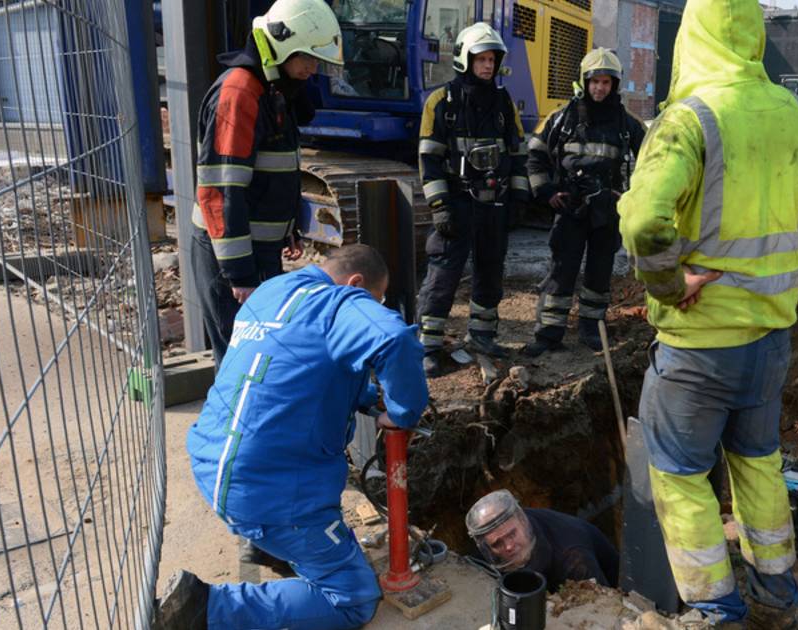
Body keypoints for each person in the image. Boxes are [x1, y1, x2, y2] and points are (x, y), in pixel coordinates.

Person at [616, 0, 798, 625]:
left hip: (701, 341)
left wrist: (672, 286)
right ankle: (776, 595)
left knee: (678, 475)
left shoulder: (689, 119)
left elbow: (645, 223)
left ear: (692, 39)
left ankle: (714, 610)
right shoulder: (794, 113)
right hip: (771, 337)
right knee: (758, 466)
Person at [156, 244, 429, 630]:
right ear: (355, 283)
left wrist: (367, 397)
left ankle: (269, 543)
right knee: (354, 599)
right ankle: (206, 608)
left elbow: (291, 369)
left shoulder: (273, 290)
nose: (370, 306)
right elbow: (395, 341)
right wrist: (402, 413)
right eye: (375, 299)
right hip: (268, 493)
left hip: (211, 463)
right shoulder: (339, 303)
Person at [189, 0, 340, 370]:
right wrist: (239, 274)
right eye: (307, 57)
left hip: (258, 249)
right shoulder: (242, 92)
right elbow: (221, 190)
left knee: (262, 357)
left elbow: (276, 169)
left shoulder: (272, 88)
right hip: (234, 254)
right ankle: (237, 427)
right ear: (281, 43)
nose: (313, 68)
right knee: (242, 362)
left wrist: (288, 226)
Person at [416, 22, 530, 376]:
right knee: (444, 273)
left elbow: (518, 152)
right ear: (465, 59)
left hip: (493, 202)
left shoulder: (503, 102)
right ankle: (428, 345)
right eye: (481, 59)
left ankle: (482, 335)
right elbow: (429, 160)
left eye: (492, 59)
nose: (487, 66)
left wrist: (520, 197)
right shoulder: (441, 102)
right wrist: (439, 207)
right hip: (456, 203)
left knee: (491, 270)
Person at [522, 48, 646, 356]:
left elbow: (651, 162)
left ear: (615, 85)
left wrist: (629, 196)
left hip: (607, 209)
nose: (600, 88)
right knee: (561, 270)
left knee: (599, 272)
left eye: (606, 82)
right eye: (594, 81)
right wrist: (547, 192)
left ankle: (592, 329)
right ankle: (549, 334)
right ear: (584, 81)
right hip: (570, 207)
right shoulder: (562, 118)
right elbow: (535, 156)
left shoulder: (626, 123)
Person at [465, 490, 618, 592]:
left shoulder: (574, 559)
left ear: (523, 521)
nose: (509, 546)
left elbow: (602, 605)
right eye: (497, 544)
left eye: (512, 534)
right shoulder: (498, 533)